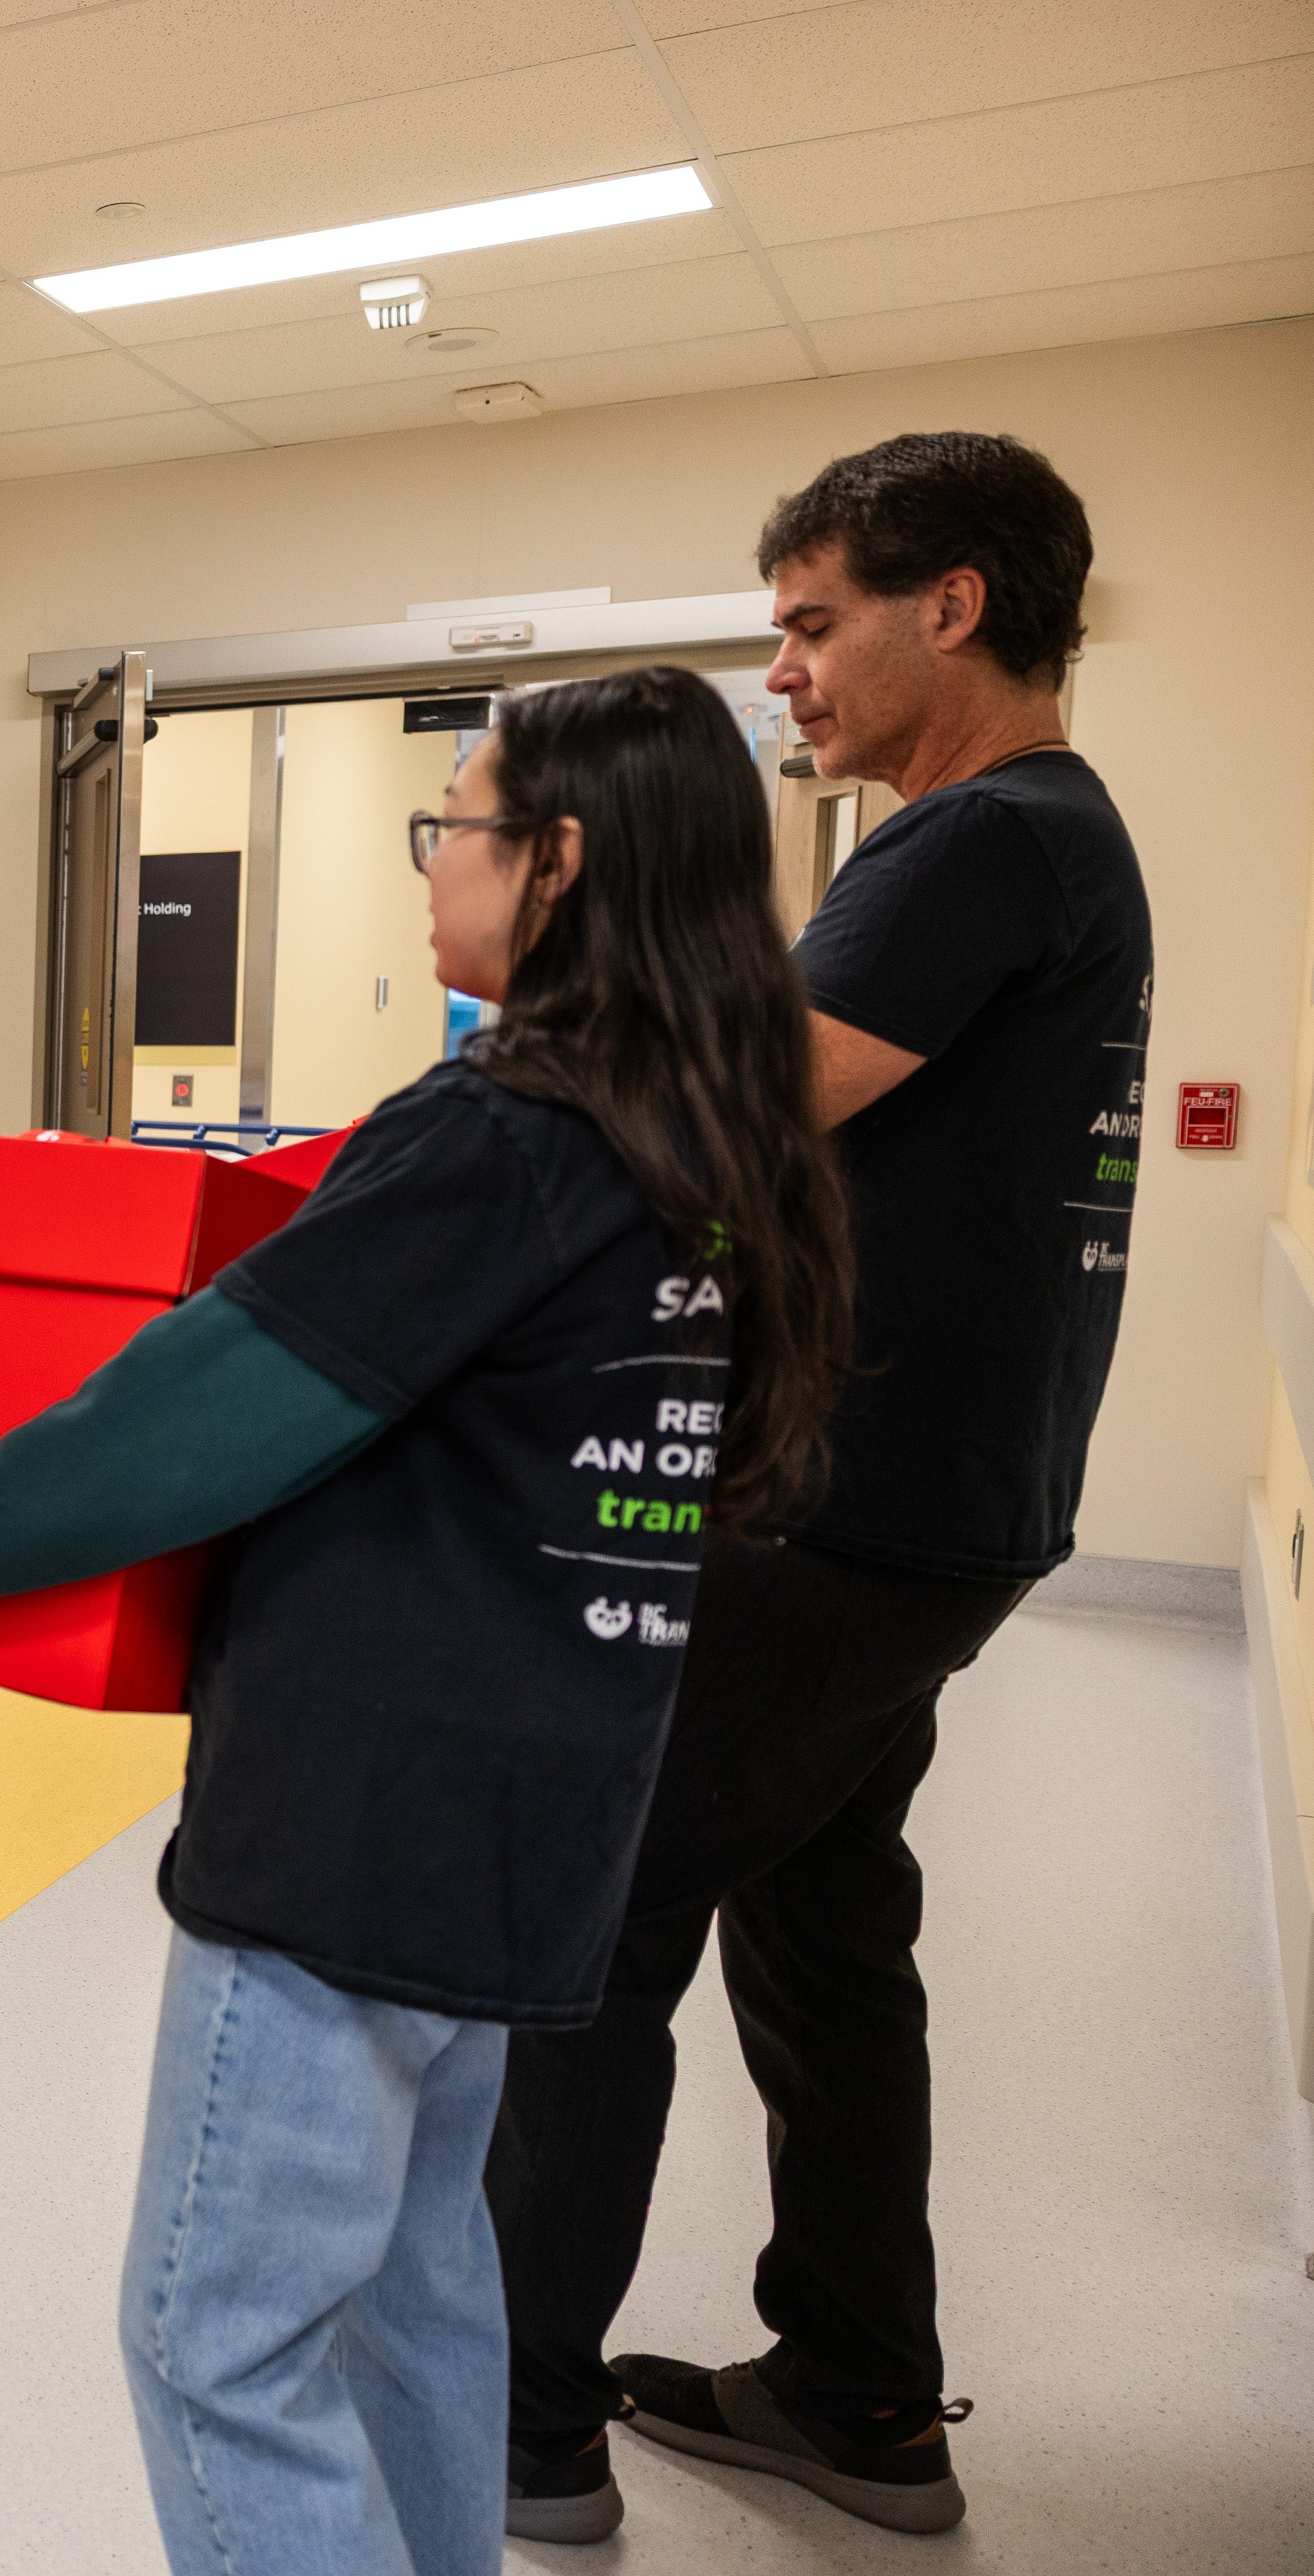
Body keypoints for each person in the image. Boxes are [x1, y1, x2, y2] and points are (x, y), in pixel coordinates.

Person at [0, 668, 852, 2573]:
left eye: (462, 824)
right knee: (418, 2296)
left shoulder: (508, 1132)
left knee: (219, 2346)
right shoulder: (708, 1150)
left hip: (363, 1836)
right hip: (536, 1825)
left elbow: (206, 1410)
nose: (433, 864)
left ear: (564, 861)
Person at [486, 433, 1148, 2543]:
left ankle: (519, 2420)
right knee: (827, 1927)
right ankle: (862, 2389)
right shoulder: (1029, 841)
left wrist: (532, 977)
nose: (785, 674)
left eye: (809, 624)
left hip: (848, 1514)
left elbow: (732, 1105)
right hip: (941, 1501)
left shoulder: (975, 844)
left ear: (947, 607)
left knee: (582, 1919)